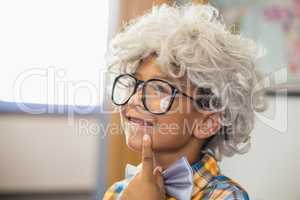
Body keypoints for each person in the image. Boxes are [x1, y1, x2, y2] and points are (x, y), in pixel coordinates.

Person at [103, 3, 266, 200]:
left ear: (207, 123)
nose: (135, 99)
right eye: (134, 83)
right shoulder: (116, 193)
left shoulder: (226, 196)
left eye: (159, 89)